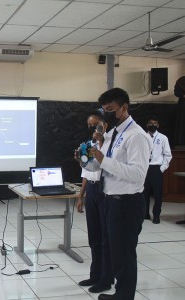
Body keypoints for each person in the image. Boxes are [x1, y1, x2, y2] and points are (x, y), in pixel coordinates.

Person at [83, 88, 151, 300]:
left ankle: (124, 296)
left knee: (125, 254)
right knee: (115, 251)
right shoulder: (115, 133)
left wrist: (104, 160)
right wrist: (95, 147)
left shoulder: (136, 136)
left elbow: (138, 174)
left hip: (127, 202)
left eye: (111, 109)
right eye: (104, 110)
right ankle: (120, 293)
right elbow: (101, 153)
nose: (107, 114)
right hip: (110, 199)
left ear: (124, 107)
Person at [76, 109, 113, 294]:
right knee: (94, 236)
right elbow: (86, 172)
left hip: (105, 189)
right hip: (91, 189)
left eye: (96, 124)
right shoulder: (87, 144)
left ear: (104, 125)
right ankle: (95, 274)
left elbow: (108, 167)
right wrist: (80, 197)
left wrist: (100, 142)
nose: (93, 128)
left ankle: (106, 279)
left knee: (106, 238)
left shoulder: (110, 144)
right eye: (90, 125)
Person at [143, 116, 172, 224]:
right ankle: (145, 214)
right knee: (144, 193)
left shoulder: (163, 138)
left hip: (156, 168)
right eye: (150, 123)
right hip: (145, 168)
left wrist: (162, 168)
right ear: (147, 125)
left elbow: (168, 155)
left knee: (157, 194)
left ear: (158, 125)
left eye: (155, 123)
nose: (152, 125)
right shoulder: (143, 137)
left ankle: (156, 215)